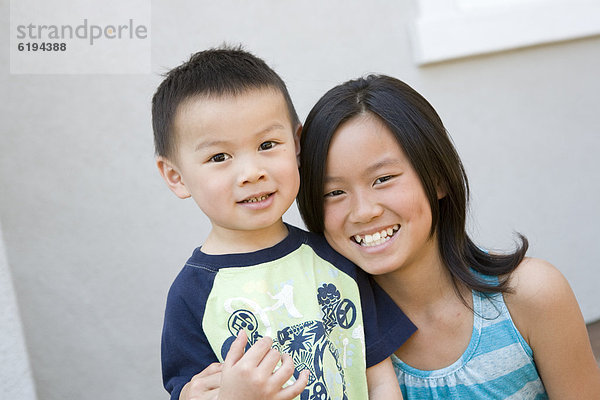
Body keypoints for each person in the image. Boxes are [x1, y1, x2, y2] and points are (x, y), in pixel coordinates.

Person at [296, 74, 600, 398]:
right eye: (334, 192)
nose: (363, 211)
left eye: (383, 179)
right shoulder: (329, 336)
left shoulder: (531, 295)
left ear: (438, 178)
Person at [152, 48, 416, 400]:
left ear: (296, 145)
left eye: (267, 144)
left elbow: (378, 376)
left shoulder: (337, 261)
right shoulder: (193, 295)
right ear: (175, 176)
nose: (252, 172)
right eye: (219, 157)